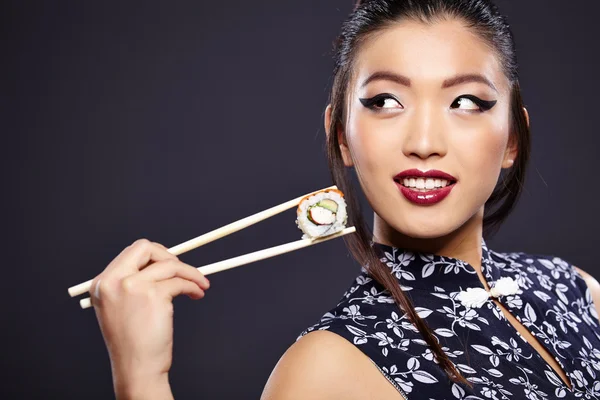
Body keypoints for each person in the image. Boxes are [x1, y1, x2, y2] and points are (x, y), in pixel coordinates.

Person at [88, 0, 600, 399]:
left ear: (512, 138)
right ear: (341, 136)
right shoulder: (325, 370)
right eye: (385, 101)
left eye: (465, 102)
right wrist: (141, 379)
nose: (424, 141)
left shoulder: (576, 289)